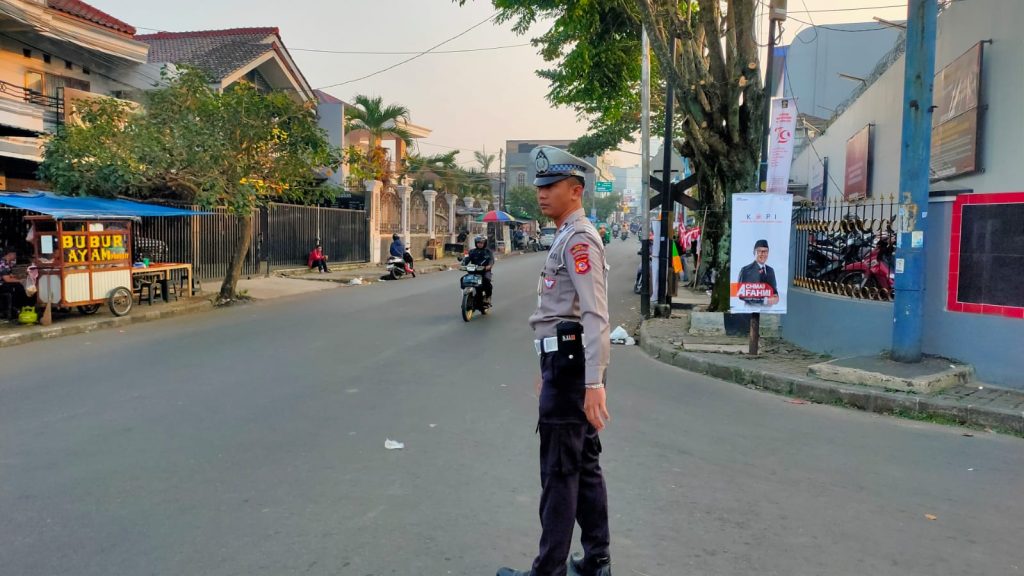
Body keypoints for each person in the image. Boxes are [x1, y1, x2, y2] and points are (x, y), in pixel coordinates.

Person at [498, 146, 612, 576]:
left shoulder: (579, 240)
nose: (542, 193)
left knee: (560, 472)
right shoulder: (566, 236)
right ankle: (597, 560)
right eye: (540, 185)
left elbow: (594, 311)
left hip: (571, 365)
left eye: (551, 186)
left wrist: (592, 381)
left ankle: (548, 571)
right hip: (564, 365)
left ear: (576, 190)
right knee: (582, 464)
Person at [737, 239, 779, 306]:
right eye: (759, 251)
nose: (763, 254)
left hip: (767, 311)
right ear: (754, 252)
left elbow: (774, 291)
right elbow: (741, 295)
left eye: (765, 251)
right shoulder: (746, 270)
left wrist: (776, 297)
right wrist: (764, 301)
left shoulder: (771, 270)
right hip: (751, 309)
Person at [463, 235, 494, 302]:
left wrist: (489, 266)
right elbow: (467, 260)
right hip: (474, 271)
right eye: (478, 243)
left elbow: (491, 260)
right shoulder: (472, 251)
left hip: (485, 271)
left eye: (481, 243)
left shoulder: (488, 252)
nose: (480, 244)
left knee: (487, 282)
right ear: (476, 243)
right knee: (464, 279)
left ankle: (488, 296)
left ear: (484, 243)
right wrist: (463, 264)